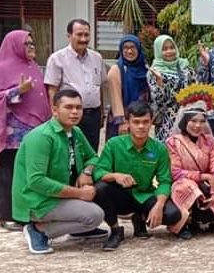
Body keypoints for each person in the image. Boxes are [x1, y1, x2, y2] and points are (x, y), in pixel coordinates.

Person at [12, 89, 106, 254]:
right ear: (55, 110)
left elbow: (94, 158)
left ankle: (80, 229)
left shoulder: (75, 131)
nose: (75, 112)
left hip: (61, 194)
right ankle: (39, 230)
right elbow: (36, 181)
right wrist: (79, 194)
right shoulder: (42, 137)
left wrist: (87, 172)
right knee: (95, 215)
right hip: (39, 200)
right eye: (69, 107)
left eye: (78, 107)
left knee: (103, 188)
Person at [93, 101, 182, 251]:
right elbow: (99, 172)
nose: (141, 126)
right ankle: (115, 230)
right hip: (121, 196)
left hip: (145, 195)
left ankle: (140, 219)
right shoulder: (114, 144)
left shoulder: (159, 148)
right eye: (136, 122)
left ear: (151, 122)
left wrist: (159, 206)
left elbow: (165, 181)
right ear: (128, 123)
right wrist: (115, 176)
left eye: (145, 122)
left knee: (173, 215)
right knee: (100, 188)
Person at [0, 30, 51, 232]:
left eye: (32, 43)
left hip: (34, 129)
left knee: (27, 173)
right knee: (9, 172)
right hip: (13, 132)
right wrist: (17, 91)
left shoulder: (33, 66)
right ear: (14, 45)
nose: (31, 47)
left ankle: (24, 212)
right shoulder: (3, 68)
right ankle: (6, 214)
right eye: (26, 43)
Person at [166, 83, 214, 238]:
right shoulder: (173, 142)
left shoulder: (210, 140)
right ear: (184, 121)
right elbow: (176, 172)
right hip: (183, 183)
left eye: (201, 121)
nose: (197, 126)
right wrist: (203, 176)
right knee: (187, 187)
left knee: (212, 216)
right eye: (193, 121)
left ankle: (201, 215)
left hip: (206, 187)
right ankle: (184, 222)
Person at [44, 18, 107, 151]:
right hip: (68, 115)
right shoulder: (57, 59)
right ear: (69, 36)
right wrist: (55, 114)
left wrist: (101, 114)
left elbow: (99, 87)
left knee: (91, 151)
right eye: (79, 34)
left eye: (86, 35)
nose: (83, 39)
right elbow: (52, 90)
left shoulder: (97, 58)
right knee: (70, 151)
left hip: (92, 115)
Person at [147, 34, 195, 142]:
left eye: (172, 47)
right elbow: (159, 102)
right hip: (167, 120)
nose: (169, 51)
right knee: (168, 151)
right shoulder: (154, 71)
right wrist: (160, 83)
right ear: (158, 51)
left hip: (187, 117)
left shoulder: (185, 66)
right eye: (164, 49)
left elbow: (196, 88)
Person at [105, 34, 149, 140]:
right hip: (122, 120)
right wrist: (122, 122)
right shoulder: (116, 70)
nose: (129, 51)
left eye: (132, 47)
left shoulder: (144, 68)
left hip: (139, 118)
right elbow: (116, 99)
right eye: (125, 48)